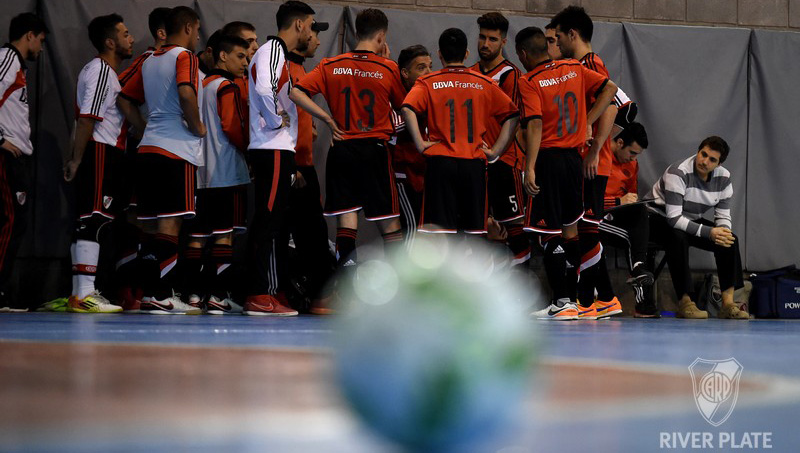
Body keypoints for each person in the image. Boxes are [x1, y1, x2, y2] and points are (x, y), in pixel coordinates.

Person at [291, 8, 404, 307]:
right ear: (381, 36)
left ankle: (341, 294)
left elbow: (296, 93)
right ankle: (402, 295)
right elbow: (404, 108)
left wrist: (328, 119)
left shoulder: (331, 64)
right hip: (374, 151)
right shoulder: (388, 68)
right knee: (390, 225)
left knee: (346, 224)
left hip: (341, 151)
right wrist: (386, 62)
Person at [515, 26, 618, 320]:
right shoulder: (574, 68)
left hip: (548, 159)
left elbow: (533, 124)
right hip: (574, 160)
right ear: (545, 48)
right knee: (571, 229)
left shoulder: (529, 80)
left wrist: (530, 166)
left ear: (522, 54)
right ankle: (571, 301)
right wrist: (587, 121)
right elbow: (610, 89)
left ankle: (562, 301)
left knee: (547, 233)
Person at [121, 6, 206, 314]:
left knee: (152, 226)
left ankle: (148, 293)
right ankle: (162, 294)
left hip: (148, 150)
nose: (198, 36)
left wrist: (146, 128)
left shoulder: (148, 60)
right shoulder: (185, 57)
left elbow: (125, 99)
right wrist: (197, 127)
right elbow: (186, 92)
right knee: (170, 225)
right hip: (175, 151)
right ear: (187, 27)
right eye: (196, 30)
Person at [401, 28, 519, 236]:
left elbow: (407, 108)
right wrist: (495, 151)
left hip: (441, 164)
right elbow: (512, 115)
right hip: (472, 164)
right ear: (466, 54)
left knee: (439, 234)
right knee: (473, 232)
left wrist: (420, 143)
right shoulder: (484, 83)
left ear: (439, 54)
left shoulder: (428, 82)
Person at [550, 6, 624, 319]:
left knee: (588, 230)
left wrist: (593, 148)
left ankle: (590, 300)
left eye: (557, 38)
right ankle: (604, 298)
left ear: (572, 35)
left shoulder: (591, 63)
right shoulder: (574, 67)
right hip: (582, 160)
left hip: (594, 162)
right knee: (581, 228)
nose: (555, 43)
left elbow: (613, 107)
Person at [245, 0, 316, 316]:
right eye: (311, 25)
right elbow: (263, 89)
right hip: (271, 147)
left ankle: (268, 290)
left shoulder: (275, 53)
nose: (312, 32)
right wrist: (276, 121)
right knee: (268, 221)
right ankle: (259, 293)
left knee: (273, 221)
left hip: (277, 149)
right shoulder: (274, 49)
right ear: (299, 24)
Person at [62, 14, 134, 313]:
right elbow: (87, 117)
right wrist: (77, 159)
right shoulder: (101, 70)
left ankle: (81, 294)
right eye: (125, 33)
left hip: (102, 151)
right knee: (93, 219)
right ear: (109, 42)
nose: (131, 39)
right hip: (100, 151)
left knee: (94, 220)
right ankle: (85, 294)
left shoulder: (105, 73)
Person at [182, 35, 250, 314]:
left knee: (197, 235)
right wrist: (251, 148)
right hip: (226, 171)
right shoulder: (226, 86)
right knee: (225, 234)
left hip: (199, 172)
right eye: (240, 56)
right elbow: (234, 128)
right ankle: (218, 296)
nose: (245, 63)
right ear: (222, 56)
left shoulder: (200, 84)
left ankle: (193, 295)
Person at [647, 136, 749, 320]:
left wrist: (722, 233)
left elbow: (723, 215)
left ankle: (727, 304)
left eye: (712, 159)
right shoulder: (678, 172)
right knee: (677, 237)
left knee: (729, 240)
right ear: (698, 151)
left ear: (719, 164)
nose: (705, 161)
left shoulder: (724, 178)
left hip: (688, 220)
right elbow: (673, 219)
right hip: (657, 218)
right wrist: (710, 233)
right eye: (703, 154)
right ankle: (685, 302)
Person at [112, 6, 171, 312]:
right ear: (163, 33)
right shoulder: (148, 60)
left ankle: (149, 289)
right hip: (144, 151)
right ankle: (127, 289)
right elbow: (121, 94)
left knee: (160, 222)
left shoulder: (177, 61)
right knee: (139, 219)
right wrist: (143, 127)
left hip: (167, 152)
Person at [469, 12, 530, 269]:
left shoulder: (510, 75)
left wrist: (495, 152)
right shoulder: (469, 73)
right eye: (482, 37)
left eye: (492, 39)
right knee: (476, 231)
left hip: (504, 162)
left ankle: (524, 294)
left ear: (503, 42)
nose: (485, 44)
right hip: (473, 163)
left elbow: (513, 120)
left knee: (515, 229)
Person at [285, 20, 334, 313]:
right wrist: (292, 166)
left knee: (312, 233)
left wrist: (311, 124)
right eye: (314, 35)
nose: (316, 41)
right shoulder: (284, 68)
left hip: (305, 162)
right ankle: (276, 292)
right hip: (295, 165)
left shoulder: (303, 70)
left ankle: (318, 295)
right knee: (291, 232)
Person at [0, 13, 47, 312]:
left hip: (17, 158)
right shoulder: (7, 59)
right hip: (6, 157)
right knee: (9, 222)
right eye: (41, 40)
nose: (41, 48)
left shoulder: (18, 65)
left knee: (12, 224)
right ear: (30, 35)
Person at [597, 122, 659, 317]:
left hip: (615, 217)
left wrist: (629, 202)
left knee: (641, 211)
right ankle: (642, 302)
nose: (633, 158)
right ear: (619, 142)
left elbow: (630, 197)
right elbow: (584, 201)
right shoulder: (597, 156)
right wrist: (616, 200)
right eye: (632, 152)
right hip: (592, 219)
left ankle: (638, 267)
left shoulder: (632, 164)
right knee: (635, 241)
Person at [390, 45, 432, 247]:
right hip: (403, 175)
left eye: (430, 67)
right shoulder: (393, 97)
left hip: (426, 173)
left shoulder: (431, 96)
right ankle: (404, 278)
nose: (428, 73)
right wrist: (411, 113)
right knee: (411, 229)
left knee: (428, 232)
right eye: (421, 68)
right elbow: (389, 128)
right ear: (405, 73)